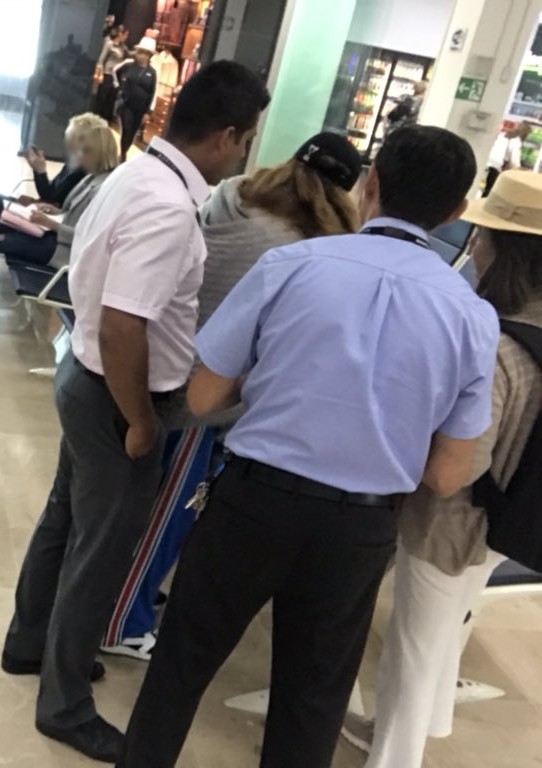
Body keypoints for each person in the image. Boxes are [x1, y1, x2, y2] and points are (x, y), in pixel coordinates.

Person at [116, 125, 500, 768]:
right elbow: (446, 473)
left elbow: (204, 398)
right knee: (311, 703)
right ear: (457, 212)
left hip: (253, 501)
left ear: (371, 183)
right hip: (359, 528)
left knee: (179, 667)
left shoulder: (291, 264)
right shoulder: (472, 316)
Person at [1, 60, 270, 764]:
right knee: (101, 551)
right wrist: (143, 422)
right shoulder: (168, 207)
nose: (242, 156)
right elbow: (126, 325)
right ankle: (64, 706)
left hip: (86, 372)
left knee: (65, 520)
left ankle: (29, 644)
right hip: (116, 393)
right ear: (226, 135)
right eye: (244, 142)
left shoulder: (136, 174)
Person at [101, 132, 363, 660]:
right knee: (170, 514)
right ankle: (124, 621)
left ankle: (127, 598)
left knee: (147, 507)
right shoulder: (299, 246)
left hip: (160, 364)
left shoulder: (232, 198)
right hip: (202, 393)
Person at [356, 169, 542, 768]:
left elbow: (454, 471)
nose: (473, 243)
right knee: (444, 635)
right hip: (508, 521)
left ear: (503, 249)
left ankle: (394, 756)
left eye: (482, 234)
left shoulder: (496, 344)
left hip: (450, 523)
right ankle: (429, 724)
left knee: (414, 647)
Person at [0, 124, 119, 267]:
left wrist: (51, 224)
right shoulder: (91, 177)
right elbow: (73, 214)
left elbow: (89, 237)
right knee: (6, 225)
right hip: (53, 235)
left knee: (6, 239)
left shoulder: (104, 187)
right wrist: (56, 211)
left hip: (63, 249)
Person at [0, 113, 106, 212]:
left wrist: (40, 171)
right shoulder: (73, 163)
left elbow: (54, 202)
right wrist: (39, 170)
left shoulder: (86, 171)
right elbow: (51, 195)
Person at [113, 37, 157, 161]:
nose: (141, 55)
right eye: (140, 51)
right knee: (127, 128)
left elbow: (153, 92)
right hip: (127, 104)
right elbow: (115, 71)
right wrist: (119, 87)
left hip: (141, 109)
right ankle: (123, 154)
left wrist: (148, 112)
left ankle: (125, 150)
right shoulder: (128, 64)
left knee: (132, 132)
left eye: (145, 53)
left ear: (149, 55)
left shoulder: (152, 72)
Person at [484, 121, 531, 196]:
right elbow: (514, 161)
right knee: (490, 190)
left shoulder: (502, 135)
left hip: (488, 162)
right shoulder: (516, 141)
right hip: (497, 166)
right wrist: (521, 170)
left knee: (485, 186)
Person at [95, 25, 130, 122]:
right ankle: (97, 117)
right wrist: (100, 74)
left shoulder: (123, 47)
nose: (127, 37)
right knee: (102, 97)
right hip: (107, 74)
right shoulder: (109, 44)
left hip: (117, 76)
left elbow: (130, 54)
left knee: (112, 98)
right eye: (126, 35)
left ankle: (106, 119)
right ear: (120, 34)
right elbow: (101, 60)